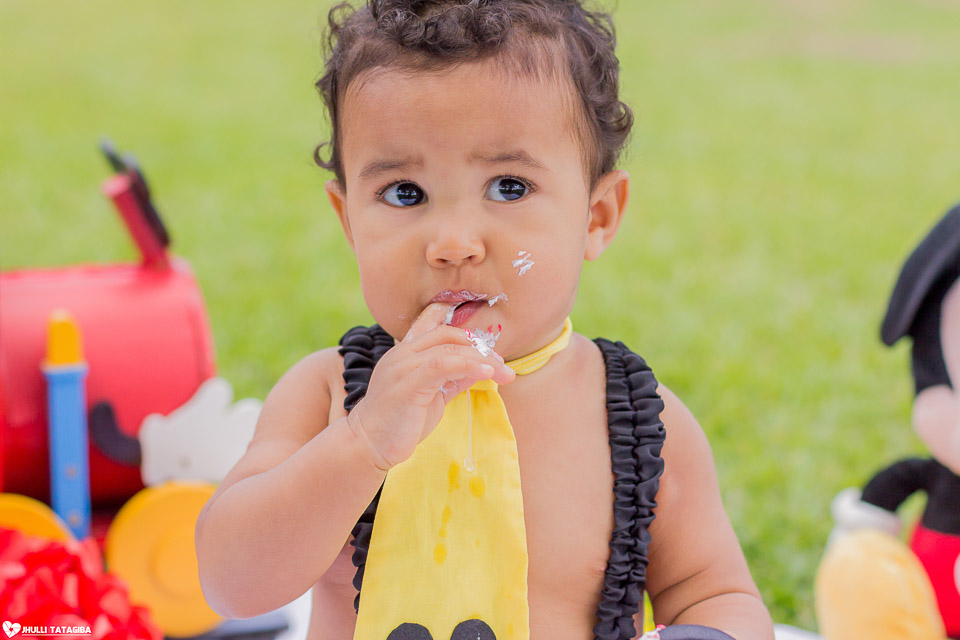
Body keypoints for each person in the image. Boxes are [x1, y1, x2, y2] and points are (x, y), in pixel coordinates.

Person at [195, 2, 774, 639]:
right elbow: (231, 583)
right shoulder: (327, 394)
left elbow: (714, 595)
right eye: (404, 193)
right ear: (348, 221)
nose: (453, 242)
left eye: (508, 187)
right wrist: (362, 443)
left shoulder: (638, 423)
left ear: (597, 216)